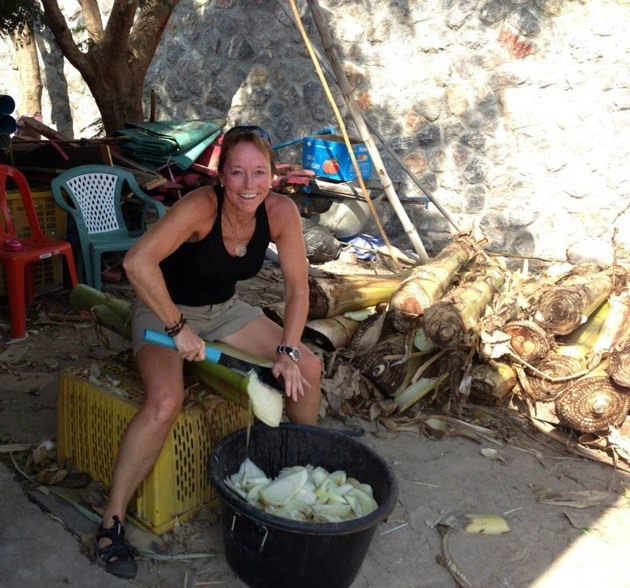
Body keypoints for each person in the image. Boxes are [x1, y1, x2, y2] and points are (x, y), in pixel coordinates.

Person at [94, 125, 322, 578]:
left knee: (309, 366)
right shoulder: (200, 206)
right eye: (237, 172)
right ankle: (110, 524)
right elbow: (138, 262)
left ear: (273, 176)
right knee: (165, 402)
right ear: (221, 176)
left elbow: (298, 290)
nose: (249, 184)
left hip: (227, 310)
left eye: (259, 172)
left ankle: (302, 466)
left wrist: (287, 350)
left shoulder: (280, 212)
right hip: (164, 311)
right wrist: (177, 328)